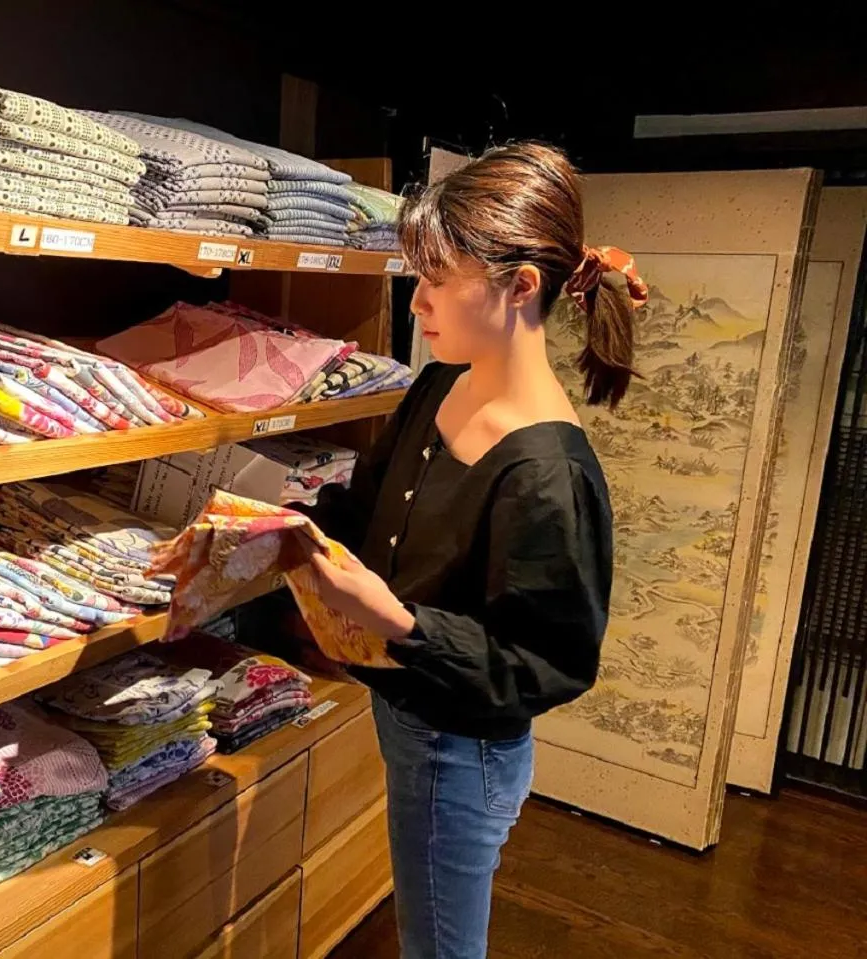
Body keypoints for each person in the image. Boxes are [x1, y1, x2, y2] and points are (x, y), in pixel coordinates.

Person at [298, 142, 644, 959]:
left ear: (522, 287)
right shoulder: (440, 380)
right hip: (407, 717)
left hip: (462, 753)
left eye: (437, 278)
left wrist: (406, 625)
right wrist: (285, 534)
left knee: (442, 948)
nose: (415, 301)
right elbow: (367, 501)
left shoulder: (549, 472)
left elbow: (547, 663)